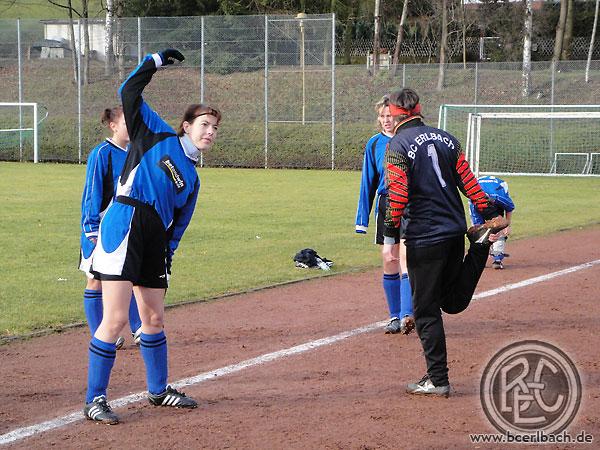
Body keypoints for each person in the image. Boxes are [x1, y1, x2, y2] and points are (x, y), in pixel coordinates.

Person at [84, 48, 221, 424]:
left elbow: (177, 228)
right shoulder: (157, 133)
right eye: (204, 124)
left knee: (154, 319)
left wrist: (166, 257)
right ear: (186, 126)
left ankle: (158, 391)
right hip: (125, 222)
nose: (210, 132)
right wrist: (154, 61)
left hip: (154, 240)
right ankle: (95, 399)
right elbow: (128, 91)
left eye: (214, 127)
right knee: (115, 319)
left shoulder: (193, 178)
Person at [382, 88, 508, 397]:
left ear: (395, 115)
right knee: (451, 301)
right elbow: (468, 181)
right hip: (453, 230)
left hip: (424, 236)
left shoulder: (397, 144)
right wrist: (489, 213)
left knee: (426, 310)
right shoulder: (447, 138)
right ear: (419, 110)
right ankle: (479, 247)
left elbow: (398, 194)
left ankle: (437, 379)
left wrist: (389, 234)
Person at [80, 106, 142, 349]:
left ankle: (139, 328)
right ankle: (101, 333)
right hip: (100, 227)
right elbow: (91, 193)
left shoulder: (136, 152)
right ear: (113, 126)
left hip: (125, 226)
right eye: (126, 123)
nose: (131, 127)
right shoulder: (101, 154)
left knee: (129, 276)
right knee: (95, 281)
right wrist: (91, 229)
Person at [355, 95, 414, 335]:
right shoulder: (374, 143)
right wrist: (362, 220)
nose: (386, 120)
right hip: (387, 205)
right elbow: (367, 182)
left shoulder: (408, 139)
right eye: (382, 116)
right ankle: (395, 316)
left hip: (411, 205)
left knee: (406, 257)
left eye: (390, 115)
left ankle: (408, 314)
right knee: (389, 259)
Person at [468, 175, 515, 270]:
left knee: (500, 226)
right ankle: (480, 258)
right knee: (479, 232)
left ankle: (497, 258)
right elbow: (478, 226)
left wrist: (506, 225)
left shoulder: (499, 198)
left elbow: (509, 208)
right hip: (477, 192)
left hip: (497, 188)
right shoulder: (474, 203)